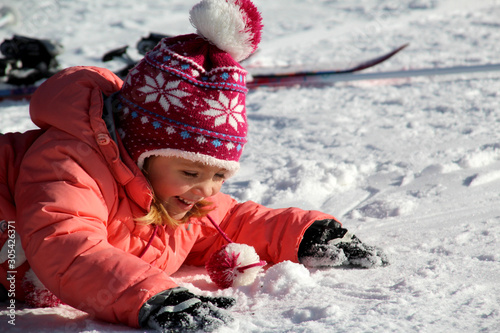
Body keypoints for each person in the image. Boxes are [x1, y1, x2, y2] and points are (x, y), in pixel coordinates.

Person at [0, 0, 388, 331]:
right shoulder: (69, 164)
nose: (206, 190)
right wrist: (152, 297)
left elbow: (235, 220)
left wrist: (306, 235)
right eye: (191, 173)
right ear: (139, 153)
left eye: (219, 175)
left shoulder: (180, 196)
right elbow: (67, 247)